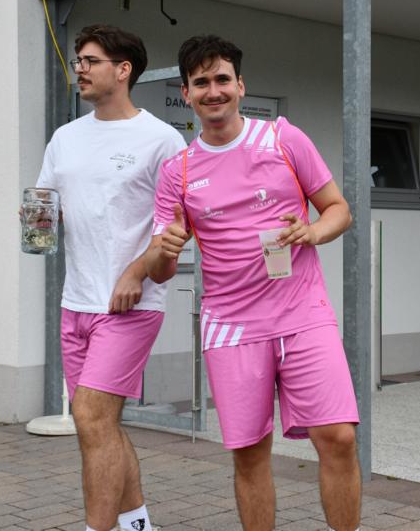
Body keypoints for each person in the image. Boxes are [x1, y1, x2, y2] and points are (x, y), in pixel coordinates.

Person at [143, 35, 361, 531]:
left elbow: (339, 209)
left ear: (240, 85)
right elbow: (159, 268)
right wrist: (164, 250)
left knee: (338, 437)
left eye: (222, 79)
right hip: (232, 327)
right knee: (249, 453)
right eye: (201, 82)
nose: (213, 91)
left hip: (303, 314)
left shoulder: (284, 139)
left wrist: (313, 232)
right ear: (186, 92)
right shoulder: (178, 171)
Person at [34, 24, 186, 531]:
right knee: (97, 426)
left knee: (92, 417)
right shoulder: (65, 138)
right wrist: (37, 222)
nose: (79, 69)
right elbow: (46, 206)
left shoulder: (161, 140)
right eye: (78, 60)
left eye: (90, 61)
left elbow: (175, 228)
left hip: (130, 303)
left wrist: (136, 271)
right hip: (75, 300)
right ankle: (138, 524)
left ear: (123, 70)